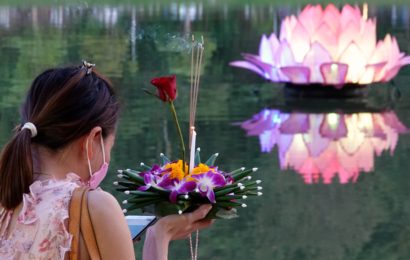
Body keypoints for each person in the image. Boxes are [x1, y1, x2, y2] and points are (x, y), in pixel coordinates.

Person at [0, 63, 213, 259]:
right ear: (93, 139)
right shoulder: (96, 206)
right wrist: (160, 235)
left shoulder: (6, 200)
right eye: (110, 146)